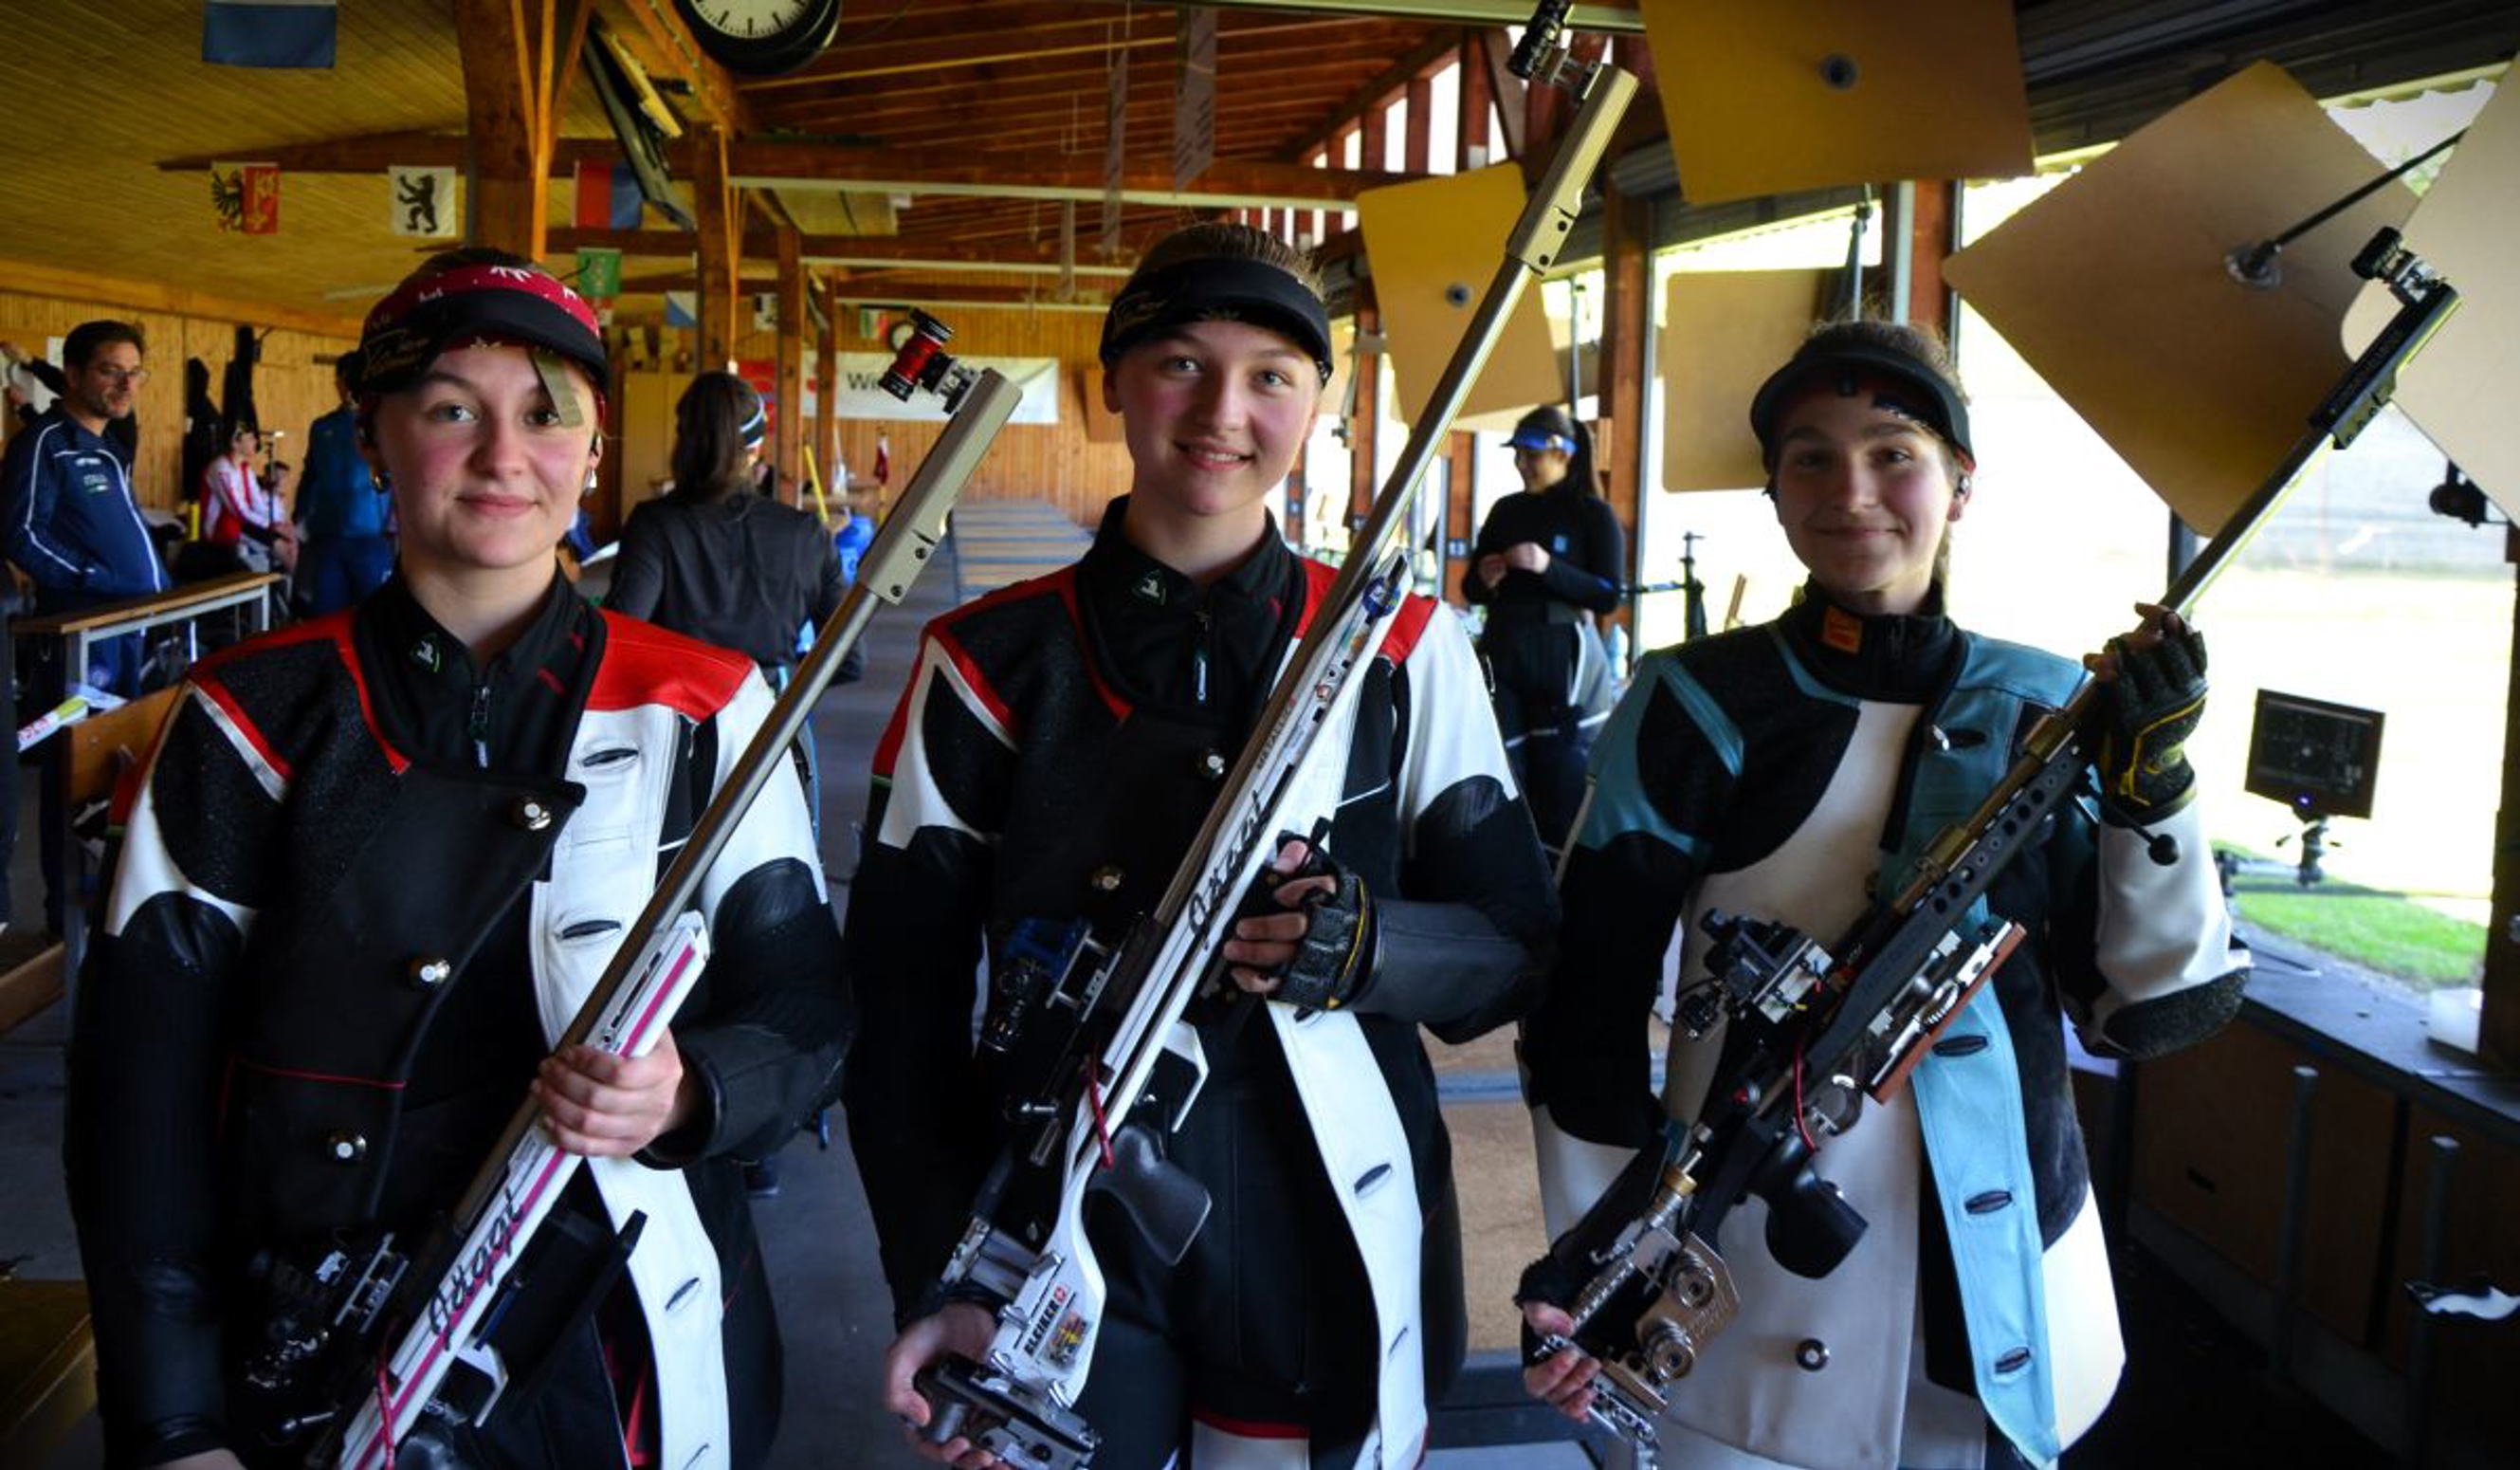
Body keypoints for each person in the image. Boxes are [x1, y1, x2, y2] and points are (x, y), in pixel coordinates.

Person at [64, 248, 849, 1470]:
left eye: (546, 414)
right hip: (318, 1350)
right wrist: (169, 1421)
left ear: (593, 453)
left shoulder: (705, 702)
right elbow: (138, 1097)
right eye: (450, 409)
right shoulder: (247, 717)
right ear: (373, 439)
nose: (502, 454)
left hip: (633, 1347)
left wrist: (696, 1085)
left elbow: (804, 996)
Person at [848, 222, 1560, 1469]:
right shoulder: (983, 662)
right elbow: (894, 1004)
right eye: (1179, 362)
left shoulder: (1399, 647)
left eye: (1271, 375)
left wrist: (1370, 945)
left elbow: (1512, 939)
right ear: (1114, 382)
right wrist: (933, 1264)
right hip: (1050, 1215)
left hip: (1322, 1222)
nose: (1222, 410)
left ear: (1317, 404)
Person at [1517, 321, 2249, 1470]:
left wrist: (2156, 793)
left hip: (2008, 1269)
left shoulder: (2053, 707)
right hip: (1737, 1276)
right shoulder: (1696, 699)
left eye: (1894, 451)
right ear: (1772, 489)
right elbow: (1585, 1011)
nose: (1852, 490)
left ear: (1961, 485)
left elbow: (2151, 1011)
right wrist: (1608, 1257)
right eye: (1809, 456)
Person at [1460, 403, 1626, 855]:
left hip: (1562, 653)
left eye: (1531, 455)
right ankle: (1503, 867)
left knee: (1559, 773)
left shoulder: (1593, 514)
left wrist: (1549, 567)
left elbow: (1610, 594)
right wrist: (1486, 577)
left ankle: (1561, 877)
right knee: (1503, 766)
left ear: (1563, 454)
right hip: (1504, 643)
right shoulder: (1505, 510)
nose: (1521, 464)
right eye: (1517, 454)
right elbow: (1471, 588)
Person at [1, 319, 169, 694]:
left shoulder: (109, 447)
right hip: (88, 629)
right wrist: (93, 578)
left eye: (135, 373)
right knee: (83, 747)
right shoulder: (43, 442)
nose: (127, 385)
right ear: (73, 376)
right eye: (111, 371)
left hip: (135, 622)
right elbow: (21, 535)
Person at [294, 349, 394, 615]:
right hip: (328, 539)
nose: (349, 389)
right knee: (326, 617)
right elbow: (310, 474)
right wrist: (300, 515)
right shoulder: (322, 427)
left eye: (355, 382)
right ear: (338, 383)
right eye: (344, 382)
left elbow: (396, 474)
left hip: (371, 539)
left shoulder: (380, 424)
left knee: (376, 616)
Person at [199, 419, 296, 576]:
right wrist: (271, 526)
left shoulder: (246, 469)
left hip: (240, 525)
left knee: (292, 542)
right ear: (235, 444)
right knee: (285, 549)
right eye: (250, 438)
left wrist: (279, 523)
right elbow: (239, 510)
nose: (255, 441)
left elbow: (257, 504)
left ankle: (288, 593)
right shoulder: (221, 468)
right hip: (220, 532)